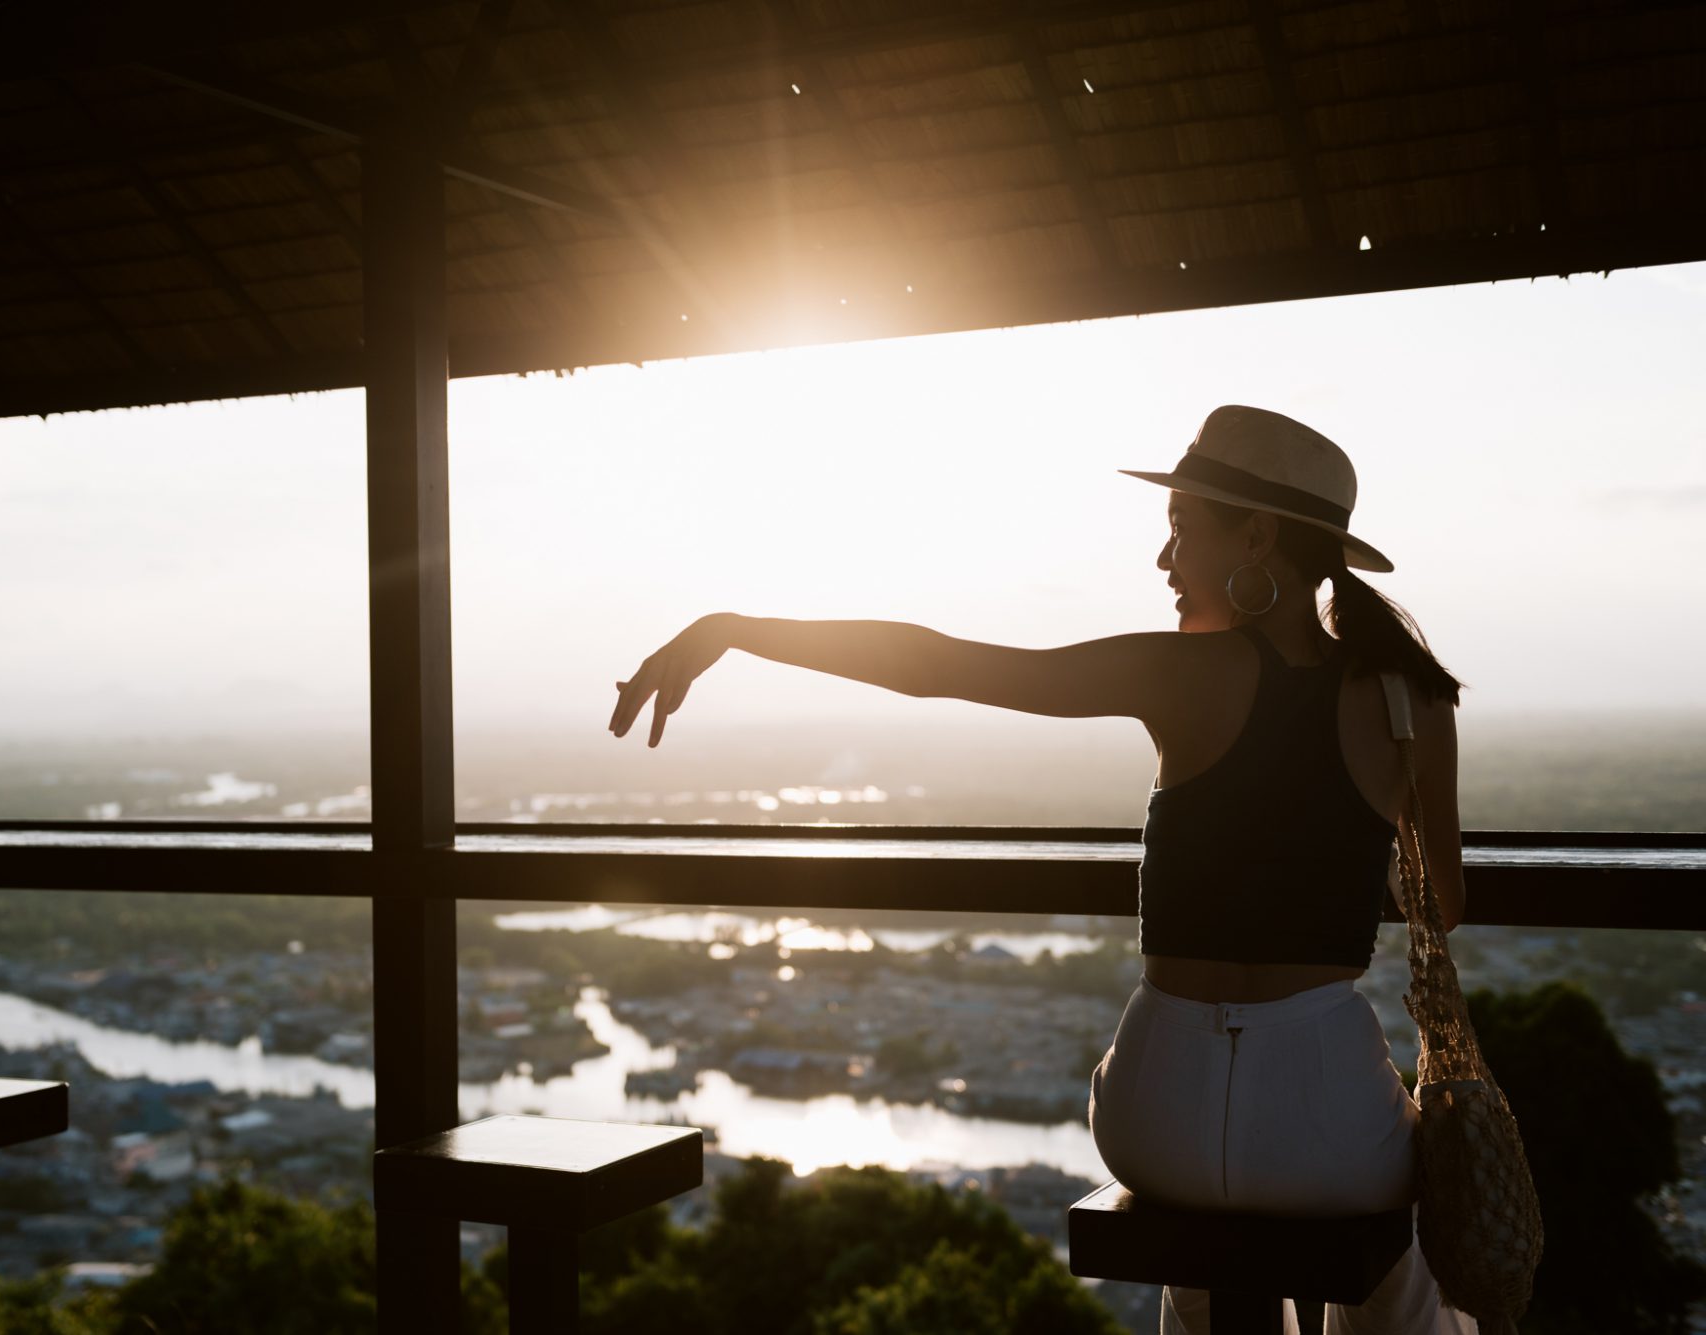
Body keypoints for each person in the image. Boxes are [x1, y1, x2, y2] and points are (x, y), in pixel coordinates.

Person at [607, 405, 1475, 1334]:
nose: (1163, 560)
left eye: (1181, 529)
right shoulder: (1410, 694)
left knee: (1205, 1266)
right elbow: (1445, 904)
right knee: (1406, 1269)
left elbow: (935, 665)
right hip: (1326, 1119)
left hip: (1157, 1119)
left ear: (1256, 536)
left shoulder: (1176, 673)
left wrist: (735, 627)